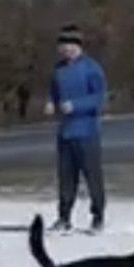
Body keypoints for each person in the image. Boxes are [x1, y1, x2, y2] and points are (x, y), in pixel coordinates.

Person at [45, 24, 107, 233]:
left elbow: (99, 97)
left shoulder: (91, 68)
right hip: (65, 133)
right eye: (63, 45)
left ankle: (98, 217)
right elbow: (53, 92)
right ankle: (64, 218)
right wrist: (50, 103)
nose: (67, 49)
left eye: (71, 45)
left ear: (79, 46)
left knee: (92, 177)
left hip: (87, 131)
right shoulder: (58, 70)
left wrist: (75, 105)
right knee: (65, 179)